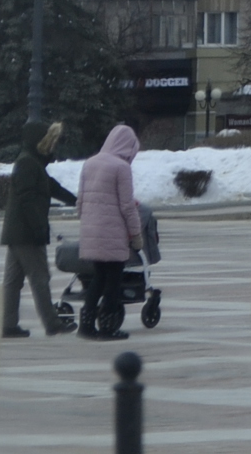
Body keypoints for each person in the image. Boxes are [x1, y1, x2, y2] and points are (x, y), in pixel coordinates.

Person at [0, 119, 76, 339]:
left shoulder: (32, 162)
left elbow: (51, 187)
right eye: (50, 142)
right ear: (40, 141)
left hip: (17, 232)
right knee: (40, 277)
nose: (53, 146)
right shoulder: (27, 163)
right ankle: (52, 323)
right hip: (27, 233)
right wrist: (39, 227)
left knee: (13, 281)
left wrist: (75, 200)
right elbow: (27, 200)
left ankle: (8, 324)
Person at [74, 123, 143, 341]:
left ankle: (85, 325)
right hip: (113, 234)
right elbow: (126, 206)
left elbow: (80, 202)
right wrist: (136, 234)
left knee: (98, 278)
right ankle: (107, 326)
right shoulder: (121, 168)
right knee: (113, 281)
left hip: (92, 232)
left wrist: (89, 222)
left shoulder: (90, 162)